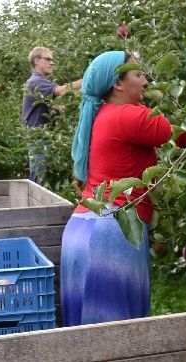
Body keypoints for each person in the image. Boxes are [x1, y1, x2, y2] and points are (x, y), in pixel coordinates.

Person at [61, 50, 173, 327]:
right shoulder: (130, 115)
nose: (146, 81)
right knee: (118, 336)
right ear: (118, 84)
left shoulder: (102, 116)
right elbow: (179, 132)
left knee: (81, 337)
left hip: (80, 229)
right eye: (138, 74)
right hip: (113, 233)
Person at [23, 47, 83, 184]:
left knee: (40, 175)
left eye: (52, 60)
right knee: (39, 178)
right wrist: (87, 79)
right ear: (37, 61)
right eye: (48, 59)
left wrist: (53, 108)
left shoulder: (40, 81)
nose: (52, 63)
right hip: (38, 137)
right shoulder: (35, 81)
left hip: (41, 136)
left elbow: (41, 104)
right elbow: (61, 90)